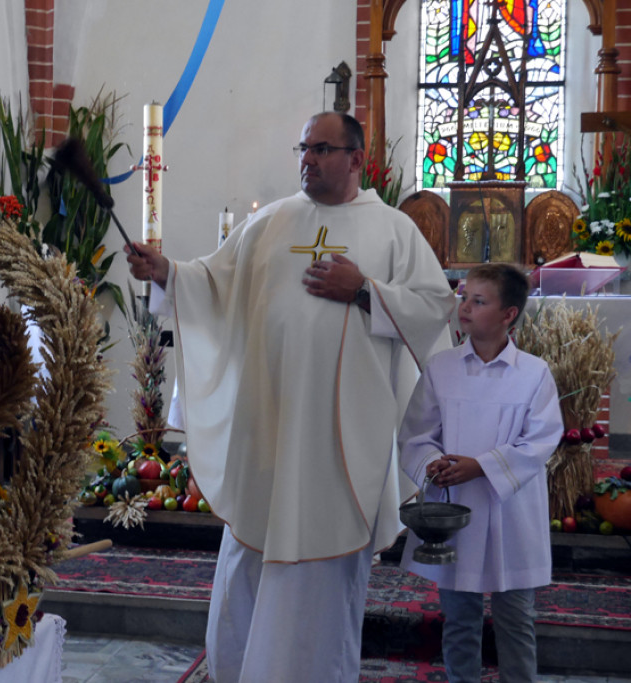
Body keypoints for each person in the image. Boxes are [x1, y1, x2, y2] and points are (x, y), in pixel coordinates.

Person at [125, 111, 455, 682]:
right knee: (249, 561)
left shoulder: (394, 231)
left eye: (322, 149)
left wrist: (365, 290)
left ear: (356, 159)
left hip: (342, 442)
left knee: (323, 576)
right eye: (303, 148)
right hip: (268, 434)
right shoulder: (270, 223)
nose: (308, 160)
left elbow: (433, 309)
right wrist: (167, 273)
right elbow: (214, 284)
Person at [398, 263, 563, 682]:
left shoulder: (533, 373)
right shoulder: (441, 367)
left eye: (479, 300)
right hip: (454, 511)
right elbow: (416, 434)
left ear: (509, 314)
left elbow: (541, 439)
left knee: (516, 619)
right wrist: (431, 463)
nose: (465, 307)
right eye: (464, 297)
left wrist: (482, 467)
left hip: (512, 512)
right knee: (459, 619)